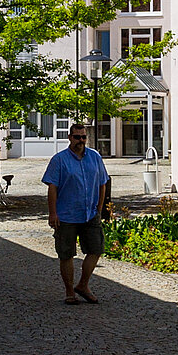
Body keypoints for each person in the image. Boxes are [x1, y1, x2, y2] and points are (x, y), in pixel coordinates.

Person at [43, 121, 112, 304]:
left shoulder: (95, 157)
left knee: (96, 249)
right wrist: (52, 213)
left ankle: (83, 284)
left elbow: (102, 183)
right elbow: (52, 188)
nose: (80, 140)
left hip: (90, 214)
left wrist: (99, 208)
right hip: (66, 215)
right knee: (66, 254)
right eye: (77, 137)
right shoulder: (59, 160)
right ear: (69, 138)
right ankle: (69, 292)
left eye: (83, 137)